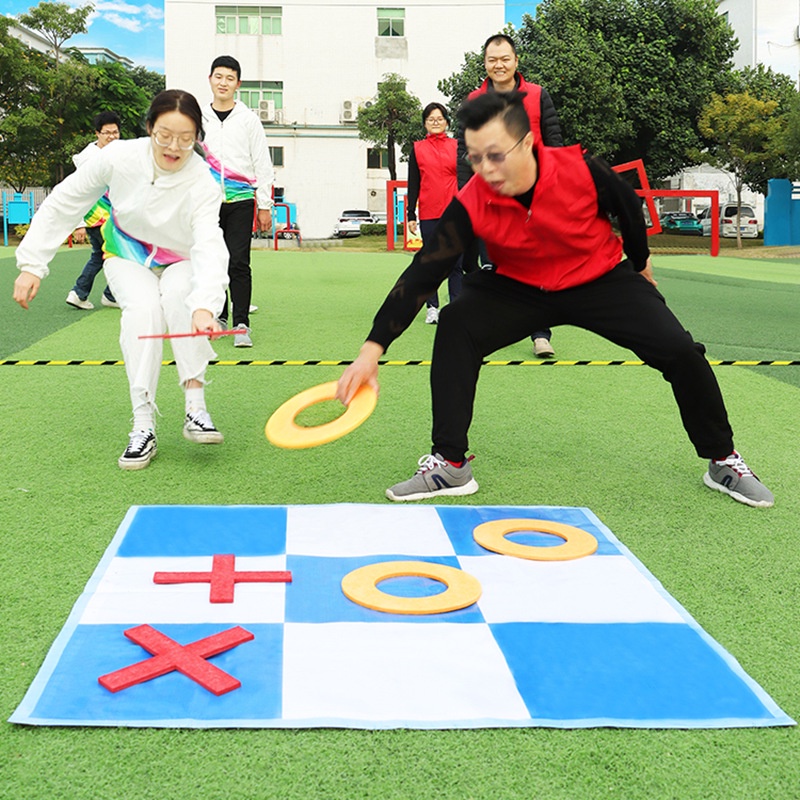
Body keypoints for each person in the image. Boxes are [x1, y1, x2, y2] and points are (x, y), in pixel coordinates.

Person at [337, 92, 774, 509]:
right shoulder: (472, 200)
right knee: (456, 324)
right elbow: (424, 271)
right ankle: (450, 465)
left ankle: (722, 459)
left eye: (496, 155)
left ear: (528, 142)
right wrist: (371, 350)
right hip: (518, 286)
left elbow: (626, 205)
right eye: (475, 158)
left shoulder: (581, 170)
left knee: (681, 351)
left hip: (597, 278)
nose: (486, 169)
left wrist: (640, 264)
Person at [13, 90, 230, 471]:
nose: (174, 147)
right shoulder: (118, 157)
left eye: (185, 138)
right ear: (149, 128)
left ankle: (195, 407)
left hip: (180, 257)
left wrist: (205, 306)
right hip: (127, 251)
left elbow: (210, 244)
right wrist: (33, 264)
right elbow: (66, 200)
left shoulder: (203, 182)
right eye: (164, 136)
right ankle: (143, 424)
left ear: (197, 137)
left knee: (182, 297)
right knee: (143, 312)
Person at [457, 33, 563, 358]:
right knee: (493, 265)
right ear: (485, 64)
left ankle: (540, 334)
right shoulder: (474, 100)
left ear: (516, 61)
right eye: (493, 60)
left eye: (505, 59)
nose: (499, 65)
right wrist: (464, 196)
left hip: (533, 195)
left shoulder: (538, 95)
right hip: (490, 196)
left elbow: (554, 141)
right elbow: (464, 149)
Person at [202, 55, 275, 348]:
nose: (223, 83)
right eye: (218, 77)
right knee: (212, 262)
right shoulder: (199, 118)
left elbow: (263, 163)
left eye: (229, 78)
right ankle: (218, 316)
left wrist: (265, 204)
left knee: (238, 261)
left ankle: (241, 323)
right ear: (210, 79)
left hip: (241, 200)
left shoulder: (248, 120)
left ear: (238, 84)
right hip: (206, 203)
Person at [406, 102, 463, 325]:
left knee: (455, 263)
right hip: (429, 212)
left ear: (447, 122)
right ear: (425, 124)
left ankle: (456, 307)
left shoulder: (458, 146)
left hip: (455, 211)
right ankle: (432, 307)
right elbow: (413, 183)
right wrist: (411, 214)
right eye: (431, 119)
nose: (435, 122)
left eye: (439, 119)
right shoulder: (418, 149)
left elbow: (468, 178)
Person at [65, 111, 121, 311]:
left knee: (100, 255)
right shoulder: (89, 159)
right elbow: (77, 192)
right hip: (99, 216)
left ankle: (80, 293)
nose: (112, 136)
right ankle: (107, 294)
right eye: (107, 133)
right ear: (97, 133)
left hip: (110, 216)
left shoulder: (117, 153)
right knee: (121, 254)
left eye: (115, 132)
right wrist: (79, 223)